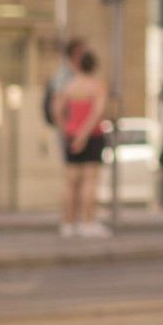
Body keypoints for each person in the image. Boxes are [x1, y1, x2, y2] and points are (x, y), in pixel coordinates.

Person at [56, 40, 115, 238]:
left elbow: (57, 110)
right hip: (92, 135)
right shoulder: (97, 86)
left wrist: (68, 131)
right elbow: (97, 113)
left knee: (70, 181)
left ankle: (68, 223)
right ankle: (88, 222)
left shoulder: (70, 85)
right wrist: (84, 134)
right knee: (90, 181)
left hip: (71, 135)